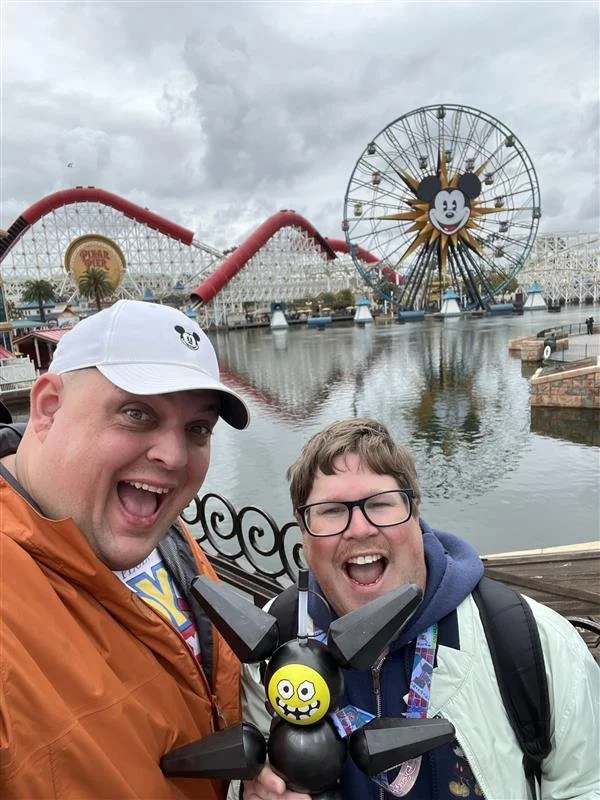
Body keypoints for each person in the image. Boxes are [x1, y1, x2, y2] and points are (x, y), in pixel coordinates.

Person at [239, 418, 599, 800]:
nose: (359, 529)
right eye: (331, 511)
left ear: (414, 510)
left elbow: (587, 784)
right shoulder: (272, 640)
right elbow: (248, 770)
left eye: (380, 504)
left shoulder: (530, 640)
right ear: (302, 527)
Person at [0, 299, 251, 799]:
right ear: (48, 407)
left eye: (197, 428)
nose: (175, 455)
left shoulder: (163, 536)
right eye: (137, 413)